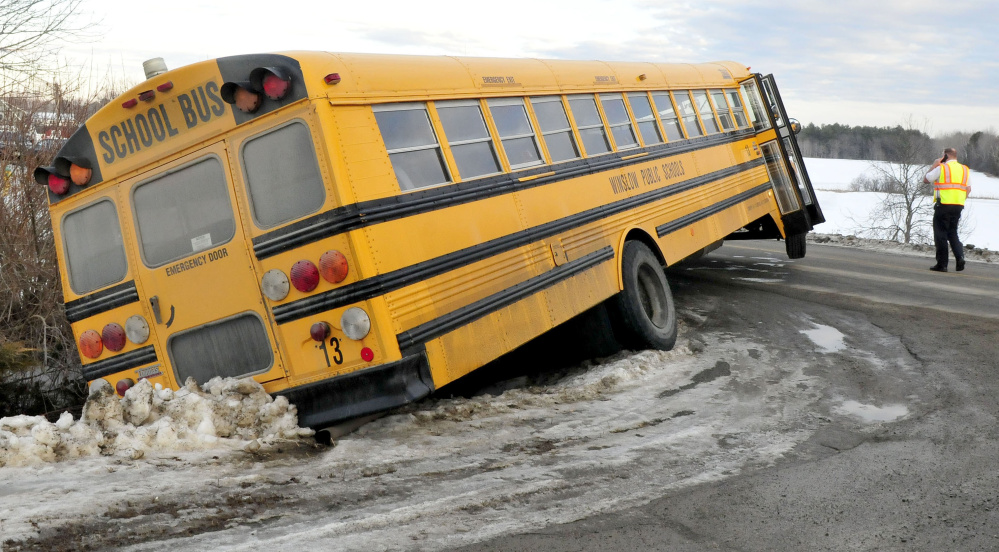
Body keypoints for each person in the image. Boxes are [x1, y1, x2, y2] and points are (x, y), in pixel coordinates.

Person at [923, 147, 971, 272]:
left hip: (943, 205)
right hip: (958, 205)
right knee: (953, 233)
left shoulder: (942, 168)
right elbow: (968, 189)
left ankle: (942, 264)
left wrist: (934, 165)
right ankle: (960, 257)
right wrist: (959, 200)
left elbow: (926, 179)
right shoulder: (964, 170)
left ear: (945, 156)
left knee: (940, 234)